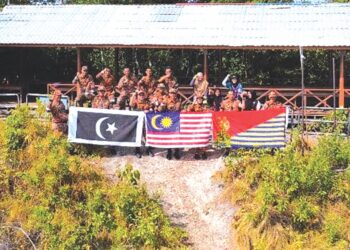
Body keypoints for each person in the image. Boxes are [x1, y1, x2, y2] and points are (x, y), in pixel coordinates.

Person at [187, 95, 208, 160]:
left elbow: (209, 112)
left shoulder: (205, 106)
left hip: (203, 125)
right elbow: (188, 110)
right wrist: (193, 104)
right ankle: (197, 152)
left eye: (201, 99)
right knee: (197, 139)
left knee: (203, 138)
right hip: (196, 125)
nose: (200, 100)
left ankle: (204, 152)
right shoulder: (194, 106)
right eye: (198, 99)